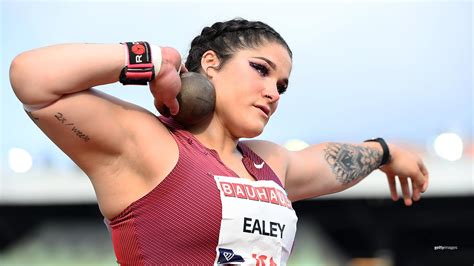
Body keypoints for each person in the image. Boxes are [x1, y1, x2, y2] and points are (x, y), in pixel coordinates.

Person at [9, 18, 429, 265]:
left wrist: (386, 152)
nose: (274, 93)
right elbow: (32, 78)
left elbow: (329, 161)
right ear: (210, 65)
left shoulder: (270, 165)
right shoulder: (149, 145)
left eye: (282, 85)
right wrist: (154, 59)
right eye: (261, 70)